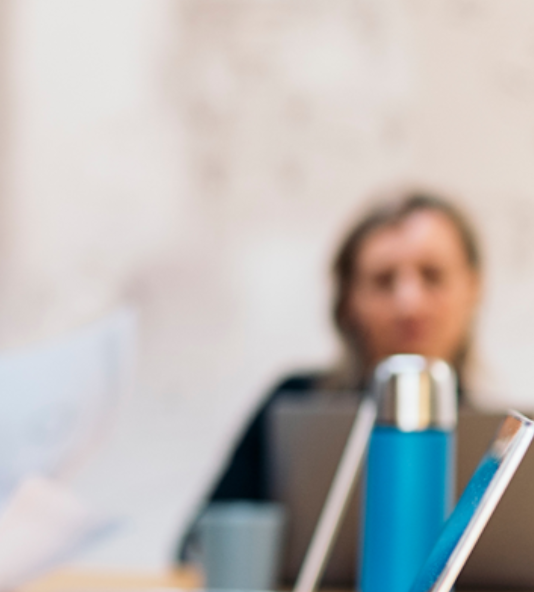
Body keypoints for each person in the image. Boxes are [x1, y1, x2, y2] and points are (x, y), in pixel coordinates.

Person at [195, 190, 485, 510]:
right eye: (383, 281)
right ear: (348, 301)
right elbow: (200, 546)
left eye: (432, 276)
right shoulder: (293, 407)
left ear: (473, 288)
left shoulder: (496, 445)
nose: (409, 304)